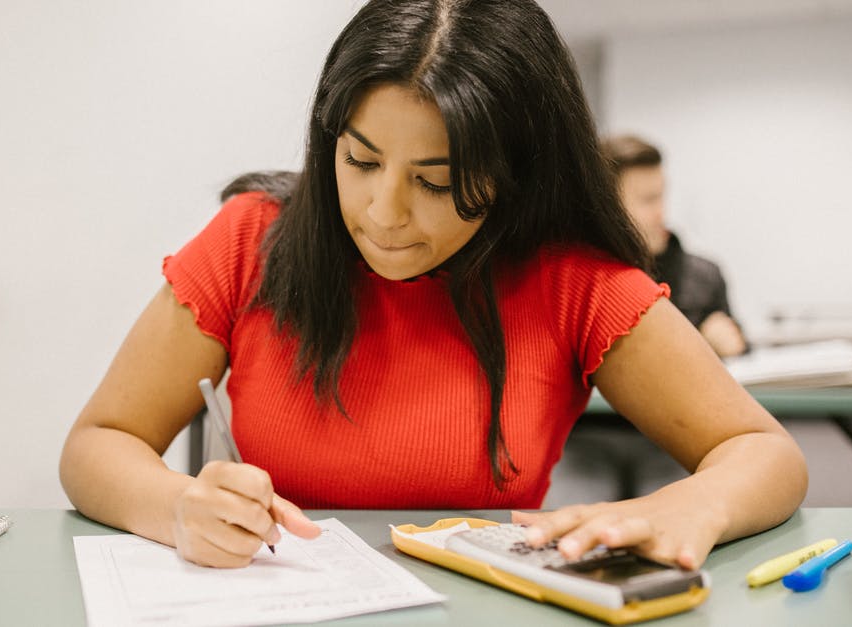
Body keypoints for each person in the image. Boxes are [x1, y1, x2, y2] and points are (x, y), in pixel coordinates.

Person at [59, 0, 806, 571]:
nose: (384, 215)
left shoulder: (571, 280)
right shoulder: (254, 239)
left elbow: (764, 452)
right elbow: (99, 443)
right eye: (359, 161)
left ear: (515, 175)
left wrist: (689, 506)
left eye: (437, 180)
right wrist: (176, 507)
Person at [601, 134, 748, 357]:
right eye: (648, 200)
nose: (662, 213)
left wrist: (730, 345)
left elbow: (741, 358)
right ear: (609, 209)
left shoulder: (706, 277)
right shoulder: (589, 287)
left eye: (662, 197)